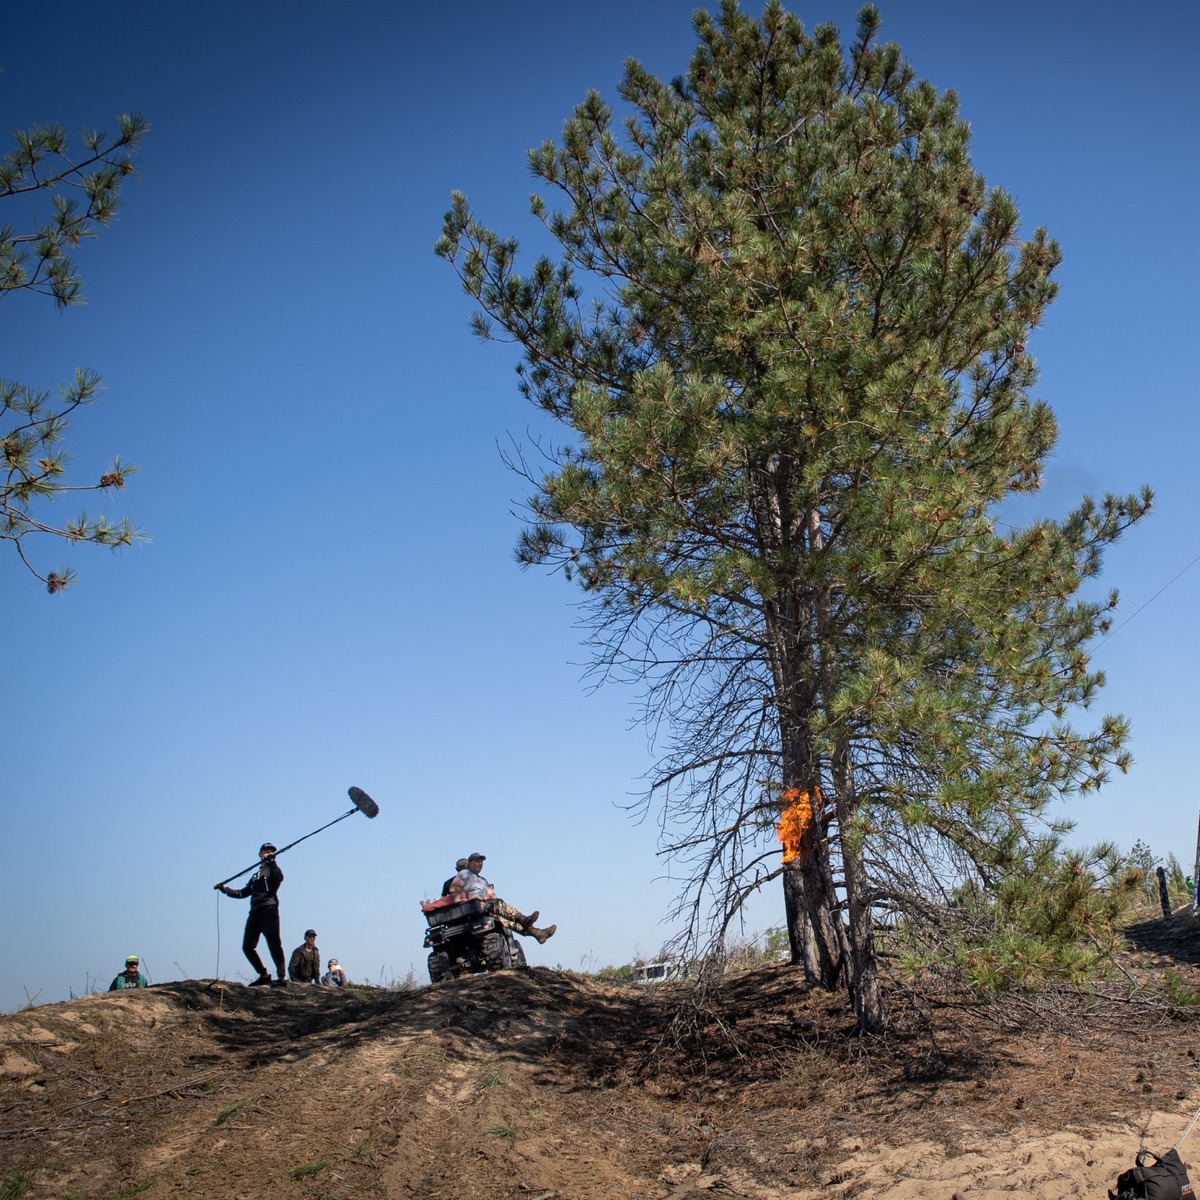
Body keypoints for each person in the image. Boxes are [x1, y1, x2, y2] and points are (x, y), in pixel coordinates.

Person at [215, 842, 287, 986]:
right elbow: (242, 893)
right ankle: (264, 975)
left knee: (274, 943)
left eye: (271, 851)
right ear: (260, 854)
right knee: (247, 947)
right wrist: (225, 889)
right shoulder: (255, 875)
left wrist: (272, 862)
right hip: (254, 913)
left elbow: (279, 878)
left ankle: (281, 977)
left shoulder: (273, 870)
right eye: (266, 851)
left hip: (269, 910)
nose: (268, 853)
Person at [448, 852, 556, 943]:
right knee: (498, 903)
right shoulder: (465, 873)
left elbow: (492, 895)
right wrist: (473, 897)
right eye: (477, 861)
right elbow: (453, 889)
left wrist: (488, 895)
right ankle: (523, 919)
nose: (480, 864)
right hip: (473, 905)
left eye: (481, 862)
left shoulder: (483, 880)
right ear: (470, 863)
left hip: (487, 906)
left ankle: (538, 933)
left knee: (505, 921)